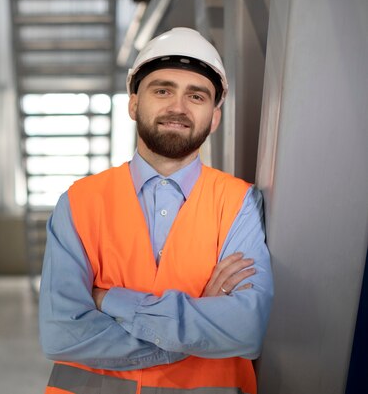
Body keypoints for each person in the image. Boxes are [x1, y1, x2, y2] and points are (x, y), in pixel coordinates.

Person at [38, 27, 274, 394]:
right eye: (162, 90)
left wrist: (109, 300)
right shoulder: (80, 202)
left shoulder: (239, 202)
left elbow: (245, 328)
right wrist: (196, 332)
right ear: (134, 104)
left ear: (214, 118)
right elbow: (61, 335)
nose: (177, 107)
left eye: (196, 96)